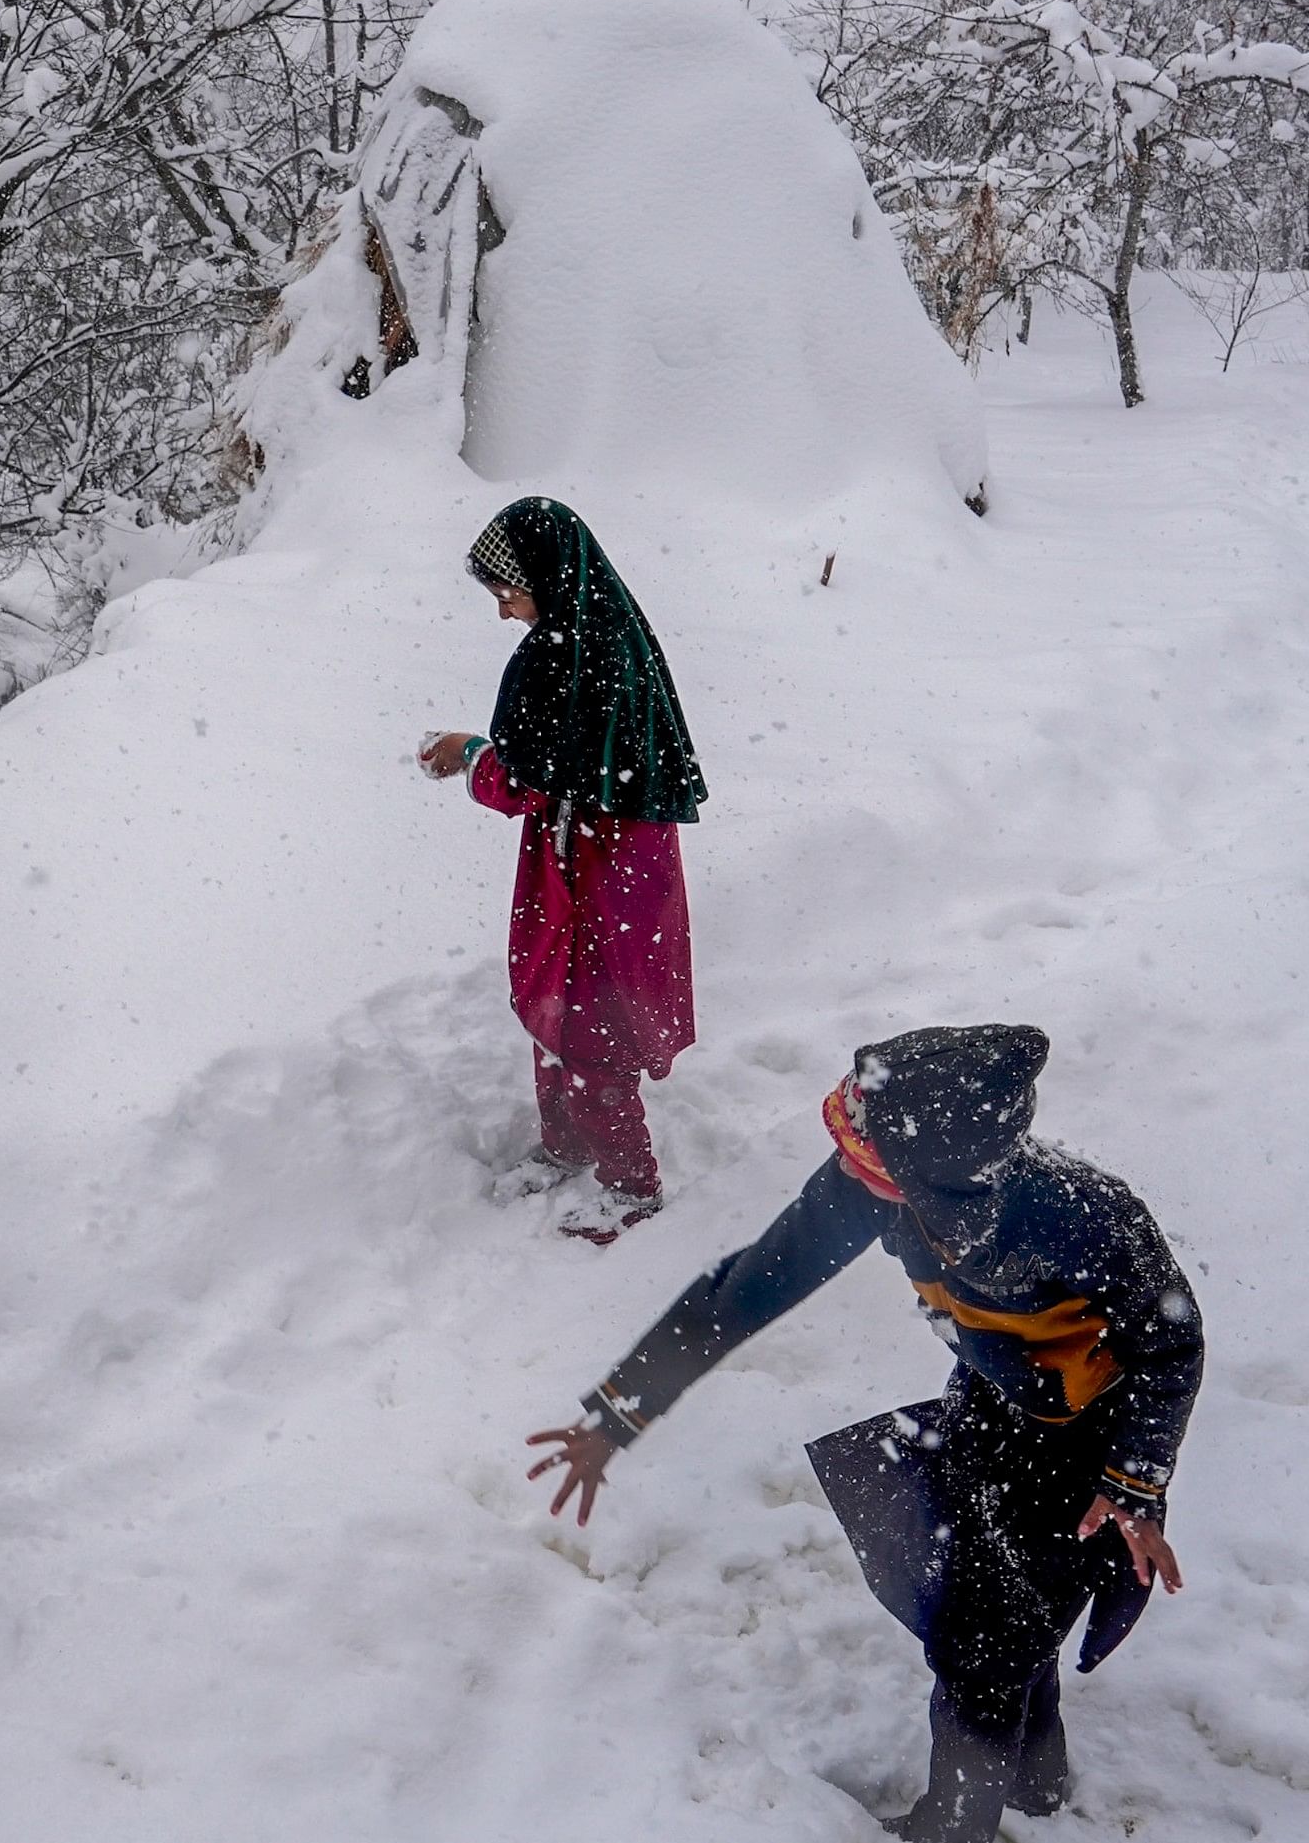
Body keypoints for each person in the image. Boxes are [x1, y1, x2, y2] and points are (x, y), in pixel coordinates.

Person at [519, 1025, 1203, 1842]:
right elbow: (739, 1291)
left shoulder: (1077, 1214)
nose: (845, 1155)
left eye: (865, 1141)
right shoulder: (869, 1187)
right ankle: (1032, 1774)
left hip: (1085, 1443)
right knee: (992, 1611)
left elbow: (1171, 1340)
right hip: (988, 1403)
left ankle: (958, 1826)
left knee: (982, 1641)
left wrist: (1132, 1481)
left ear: (933, 1174)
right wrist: (617, 1414)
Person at [416, 497, 706, 1231]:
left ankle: (631, 1186)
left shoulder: (570, 655)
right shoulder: (605, 631)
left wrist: (470, 755)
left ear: (542, 576)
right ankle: (566, 1143)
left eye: (506, 592)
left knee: (590, 1027)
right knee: (563, 1014)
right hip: (609, 863)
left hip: (599, 876)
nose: (504, 612)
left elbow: (527, 777)